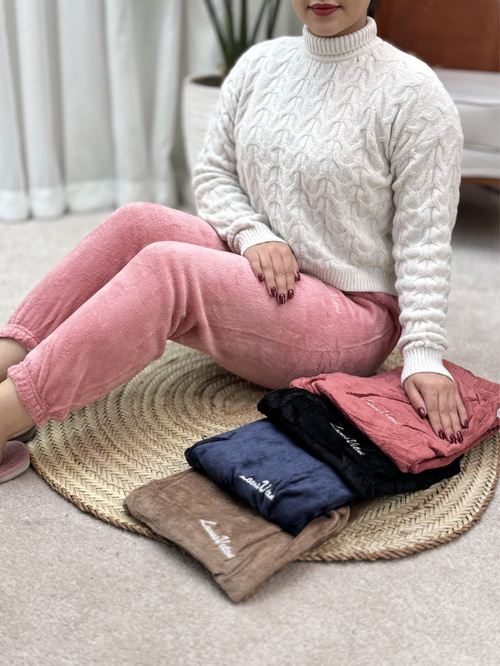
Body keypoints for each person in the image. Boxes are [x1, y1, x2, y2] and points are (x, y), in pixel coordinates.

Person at [0, 0, 469, 483]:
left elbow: (425, 241)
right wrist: (251, 232)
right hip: (266, 269)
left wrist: (424, 353)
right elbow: (213, 172)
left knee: (170, 269)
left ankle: (4, 415)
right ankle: (7, 357)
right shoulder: (261, 64)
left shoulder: (414, 94)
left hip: (351, 313)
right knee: (138, 222)